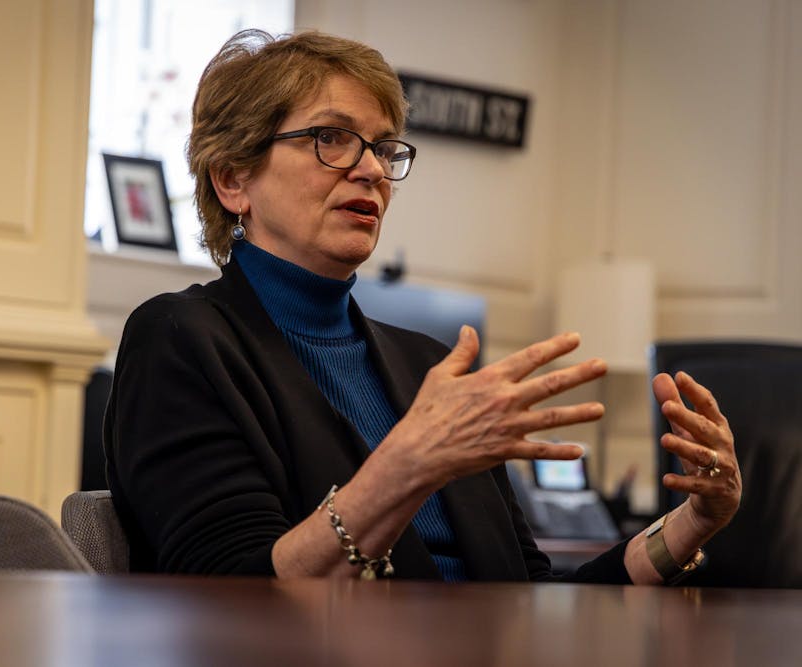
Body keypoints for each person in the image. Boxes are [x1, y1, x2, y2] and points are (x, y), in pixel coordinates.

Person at [103, 29, 741, 583]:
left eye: (383, 147)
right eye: (332, 138)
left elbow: (529, 596)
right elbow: (232, 592)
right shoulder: (181, 338)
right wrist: (406, 467)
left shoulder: (429, 366)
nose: (373, 171)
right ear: (233, 179)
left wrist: (689, 525)